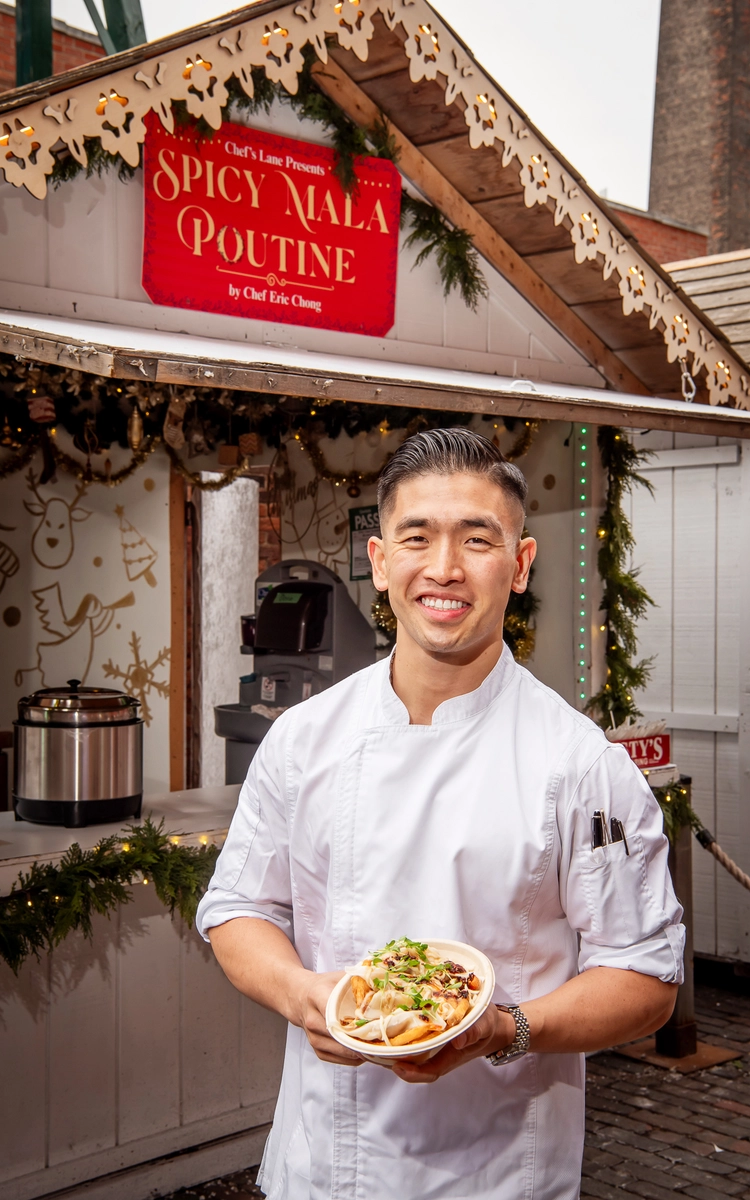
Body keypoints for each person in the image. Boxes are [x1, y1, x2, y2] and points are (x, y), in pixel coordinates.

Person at [197, 427, 684, 1200]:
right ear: (380, 560)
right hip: (322, 1164)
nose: (444, 568)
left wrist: (505, 1028)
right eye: (416, 537)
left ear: (519, 565)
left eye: (477, 539)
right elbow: (236, 908)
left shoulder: (579, 763)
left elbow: (644, 976)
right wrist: (302, 995)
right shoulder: (302, 739)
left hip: (497, 1170)